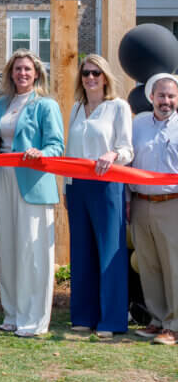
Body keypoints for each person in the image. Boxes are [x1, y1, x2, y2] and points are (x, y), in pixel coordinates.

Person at [0, 49, 64, 338]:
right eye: (17, 69)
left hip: (33, 182)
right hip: (3, 180)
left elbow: (57, 145)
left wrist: (41, 152)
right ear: (11, 73)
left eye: (27, 69)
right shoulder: (0, 105)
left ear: (36, 74)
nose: (22, 73)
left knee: (33, 253)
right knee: (8, 249)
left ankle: (34, 319)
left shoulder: (46, 105)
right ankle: (12, 313)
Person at [64, 55, 133, 338]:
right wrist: (67, 186)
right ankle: (83, 315)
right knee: (81, 252)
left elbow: (128, 149)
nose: (90, 78)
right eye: (85, 73)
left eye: (96, 73)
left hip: (107, 185)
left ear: (105, 77)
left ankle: (112, 319)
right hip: (77, 186)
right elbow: (70, 151)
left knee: (109, 252)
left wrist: (113, 154)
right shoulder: (76, 109)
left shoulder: (118, 107)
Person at [129, 73, 178, 346]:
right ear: (151, 98)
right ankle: (157, 320)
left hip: (172, 204)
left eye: (171, 96)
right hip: (140, 203)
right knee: (149, 266)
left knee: (174, 266)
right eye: (161, 96)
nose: (166, 101)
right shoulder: (138, 124)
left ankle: (175, 325)